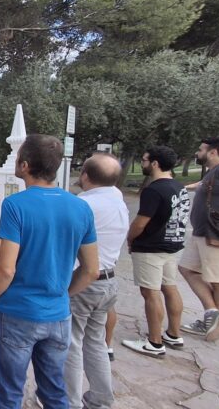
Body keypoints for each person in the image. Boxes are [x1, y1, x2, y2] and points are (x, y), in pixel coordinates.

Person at [0, 134, 99, 409]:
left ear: (24, 165)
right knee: (53, 393)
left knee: (10, 392)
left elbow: (6, 268)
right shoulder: (81, 207)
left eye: (17, 158)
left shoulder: (16, 205)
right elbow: (91, 270)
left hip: (17, 312)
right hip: (58, 315)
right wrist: (62, 293)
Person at [64, 153, 129, 409]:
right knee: (96, 342)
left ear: (85, 176)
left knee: (71, 343)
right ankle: (101, 399)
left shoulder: (84, 205)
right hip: (108, 282)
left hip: (86, 281)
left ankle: (68, 402)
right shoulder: (118, 201)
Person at [122, 146, 189, 358]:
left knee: (150, 293)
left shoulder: (154, 190)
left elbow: (140, 222)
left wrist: (130, 239)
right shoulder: (180, 187)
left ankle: (154, 341)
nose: (142, 164)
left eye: (144, 160)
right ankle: (174, 334)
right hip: (173, 245)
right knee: (170, 287)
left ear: (155, 163)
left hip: (151, 247)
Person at [179, 137, 219, 342]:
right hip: (203, 233)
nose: (197, 153)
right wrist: (186, 187)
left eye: (201, 149)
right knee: (187, 269)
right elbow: (205, 185)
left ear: (213, 152)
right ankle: (213, 314)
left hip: (216, 235)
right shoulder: (215, 172)